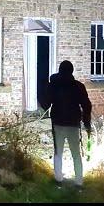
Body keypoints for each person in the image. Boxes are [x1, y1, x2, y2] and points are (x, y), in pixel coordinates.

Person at [40, 60, 92, 189]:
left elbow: (46, 104)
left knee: (58, 152)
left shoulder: (54, 86)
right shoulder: (78, 86)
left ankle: (58, 179)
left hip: (58, 123)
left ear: (60, 70)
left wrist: (42, 89)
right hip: (73, 124)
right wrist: (87, 123)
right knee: (76, 154)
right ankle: (78, 182)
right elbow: (86, 105)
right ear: (72, 71)